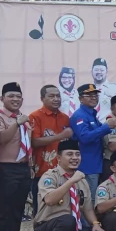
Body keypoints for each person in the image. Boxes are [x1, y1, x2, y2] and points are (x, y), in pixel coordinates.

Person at [34, 140, 115, 231]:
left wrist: (95, 224)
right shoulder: (49, 176)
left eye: (77, 154)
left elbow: (87, 208)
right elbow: (49, 200)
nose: (75, 158)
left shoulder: (82, 180)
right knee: (66, 219)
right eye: (70, 154)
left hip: (71, 228)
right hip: (47, 228)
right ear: (59, 158)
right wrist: (71, 181)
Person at [0, 82, 34, 231]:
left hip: (23, 167)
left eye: (18, 97)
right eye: (11, 96)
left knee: (18, 209)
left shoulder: (23, 118)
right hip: (6, 167)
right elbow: (2, 140)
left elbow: (27, 144)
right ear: (2, 99)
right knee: (4, 210)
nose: (15, 99)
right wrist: (16, 123)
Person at [70, 84, 116, 202]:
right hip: (87, 166)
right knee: (89, 200)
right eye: (89, 95)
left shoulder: (91, 114)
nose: (94, 97)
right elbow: (85, 137)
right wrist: (106, 127)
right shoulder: (80, 115)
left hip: (96, 164)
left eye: (95, 95)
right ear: (81, 98)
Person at [30, 85, 72, 217]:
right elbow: (34, 142)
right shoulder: (35, 116)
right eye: (51, 96)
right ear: (42, 99)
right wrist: (61, 136)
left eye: (58, 96)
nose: (56, 99)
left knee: (64, 206)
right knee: (42, 208)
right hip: (42, 170)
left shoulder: (65, 118)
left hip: (64, 170)